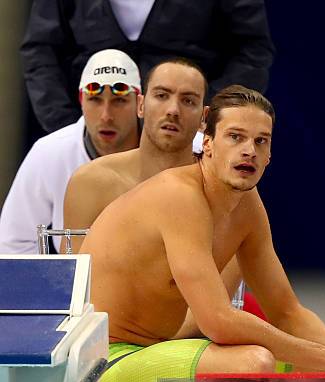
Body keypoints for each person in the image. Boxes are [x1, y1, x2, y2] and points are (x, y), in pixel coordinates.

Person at [80, 85, 325, 382]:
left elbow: (286, 311)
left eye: (260, 141)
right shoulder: (179, 196)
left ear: (270, 154)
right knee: (253, 362)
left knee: (305, 369)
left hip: (159, 354)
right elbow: (218, 321)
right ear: (208, 143)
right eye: (235, 137)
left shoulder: (246, 206)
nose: (249, 150)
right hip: (100, 371)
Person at [21, 0, 275, 133]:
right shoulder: (59, 152)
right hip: (90, 135)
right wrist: (68, 127)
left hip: (188, 142)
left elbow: (252, 50)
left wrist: (203, 116)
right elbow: (41, 50)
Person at [0, 49, 141, 254]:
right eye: (95, 100)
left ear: (140, 103)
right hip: (73, 280)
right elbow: (12, 243)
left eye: (119, 101)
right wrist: (52, 285)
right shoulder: (50, 153)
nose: (106, 116)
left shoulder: (171, 148)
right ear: (81, 100)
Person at [64, 57, 207, 252]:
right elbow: (72, 278)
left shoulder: (222, 188)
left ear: (203, 118)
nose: (173, 110)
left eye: (188, 100)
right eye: (162, 96)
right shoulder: (90, 183)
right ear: (140, 106)